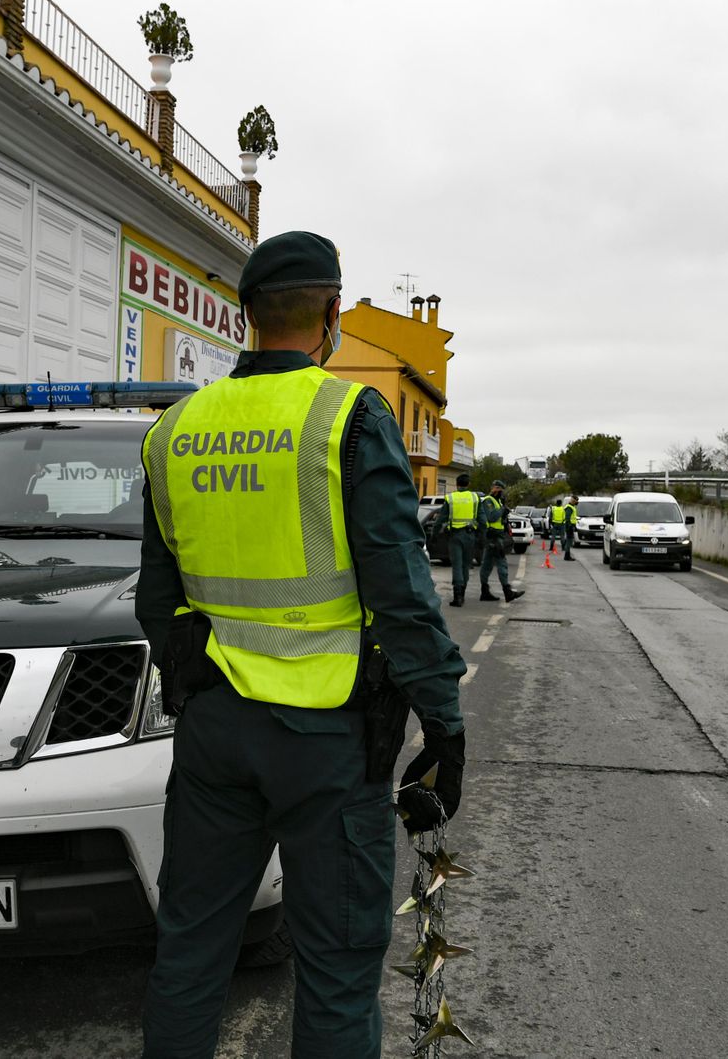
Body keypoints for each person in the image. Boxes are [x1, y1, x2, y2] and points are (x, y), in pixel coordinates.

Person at [135, 230, 467, 1059]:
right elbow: (400, 592)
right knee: (337, 973)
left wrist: (200, 686)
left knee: (189, 953)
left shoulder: (174, 429)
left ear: (246, 313)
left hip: (215, 737)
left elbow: (157, 603)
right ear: (331, 315)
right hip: (330, 742)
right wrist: (444, 722)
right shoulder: (349, 418)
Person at [478, 480, 525, 602]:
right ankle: (507, 592)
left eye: (502, 490)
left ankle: (484, 591)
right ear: (494, 488)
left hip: (497, 535)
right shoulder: (488, 501)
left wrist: (505, 517)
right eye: (499, 489)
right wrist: (503, 509)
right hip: (493, 536)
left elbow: (500, 519)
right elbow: (492, 517)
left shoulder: (497, 501)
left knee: (487, 564)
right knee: (501, 563)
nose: (501, 492)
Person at [440, 473, 480, 606]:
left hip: (455, 536)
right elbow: (482, 519)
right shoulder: (475, 498)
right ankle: (462, 594)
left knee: (457, 566)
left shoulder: (451, 498)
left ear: (457, 485)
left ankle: (457, 597)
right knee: (465, 566)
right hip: (470, 536)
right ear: (468, 484)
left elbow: (441, 518)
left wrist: (434, 533)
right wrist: (481, 537)